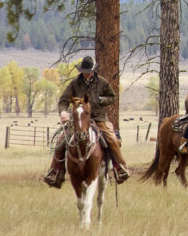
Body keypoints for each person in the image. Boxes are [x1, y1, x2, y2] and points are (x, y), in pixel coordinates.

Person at [42, 56, 130, 187]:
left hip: (98, 118)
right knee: (61, 141)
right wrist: (64, 112)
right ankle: (54, 172)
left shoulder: (102, 82)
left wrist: (101, 100)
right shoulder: (74, 84)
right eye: (85, 71)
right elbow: (63, 101)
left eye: (89, 70)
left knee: (111, 139)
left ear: (93, 70)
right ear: (81, 71)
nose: (87, 73)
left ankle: (120, 168)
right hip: (79, 120)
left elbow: (112, 97)